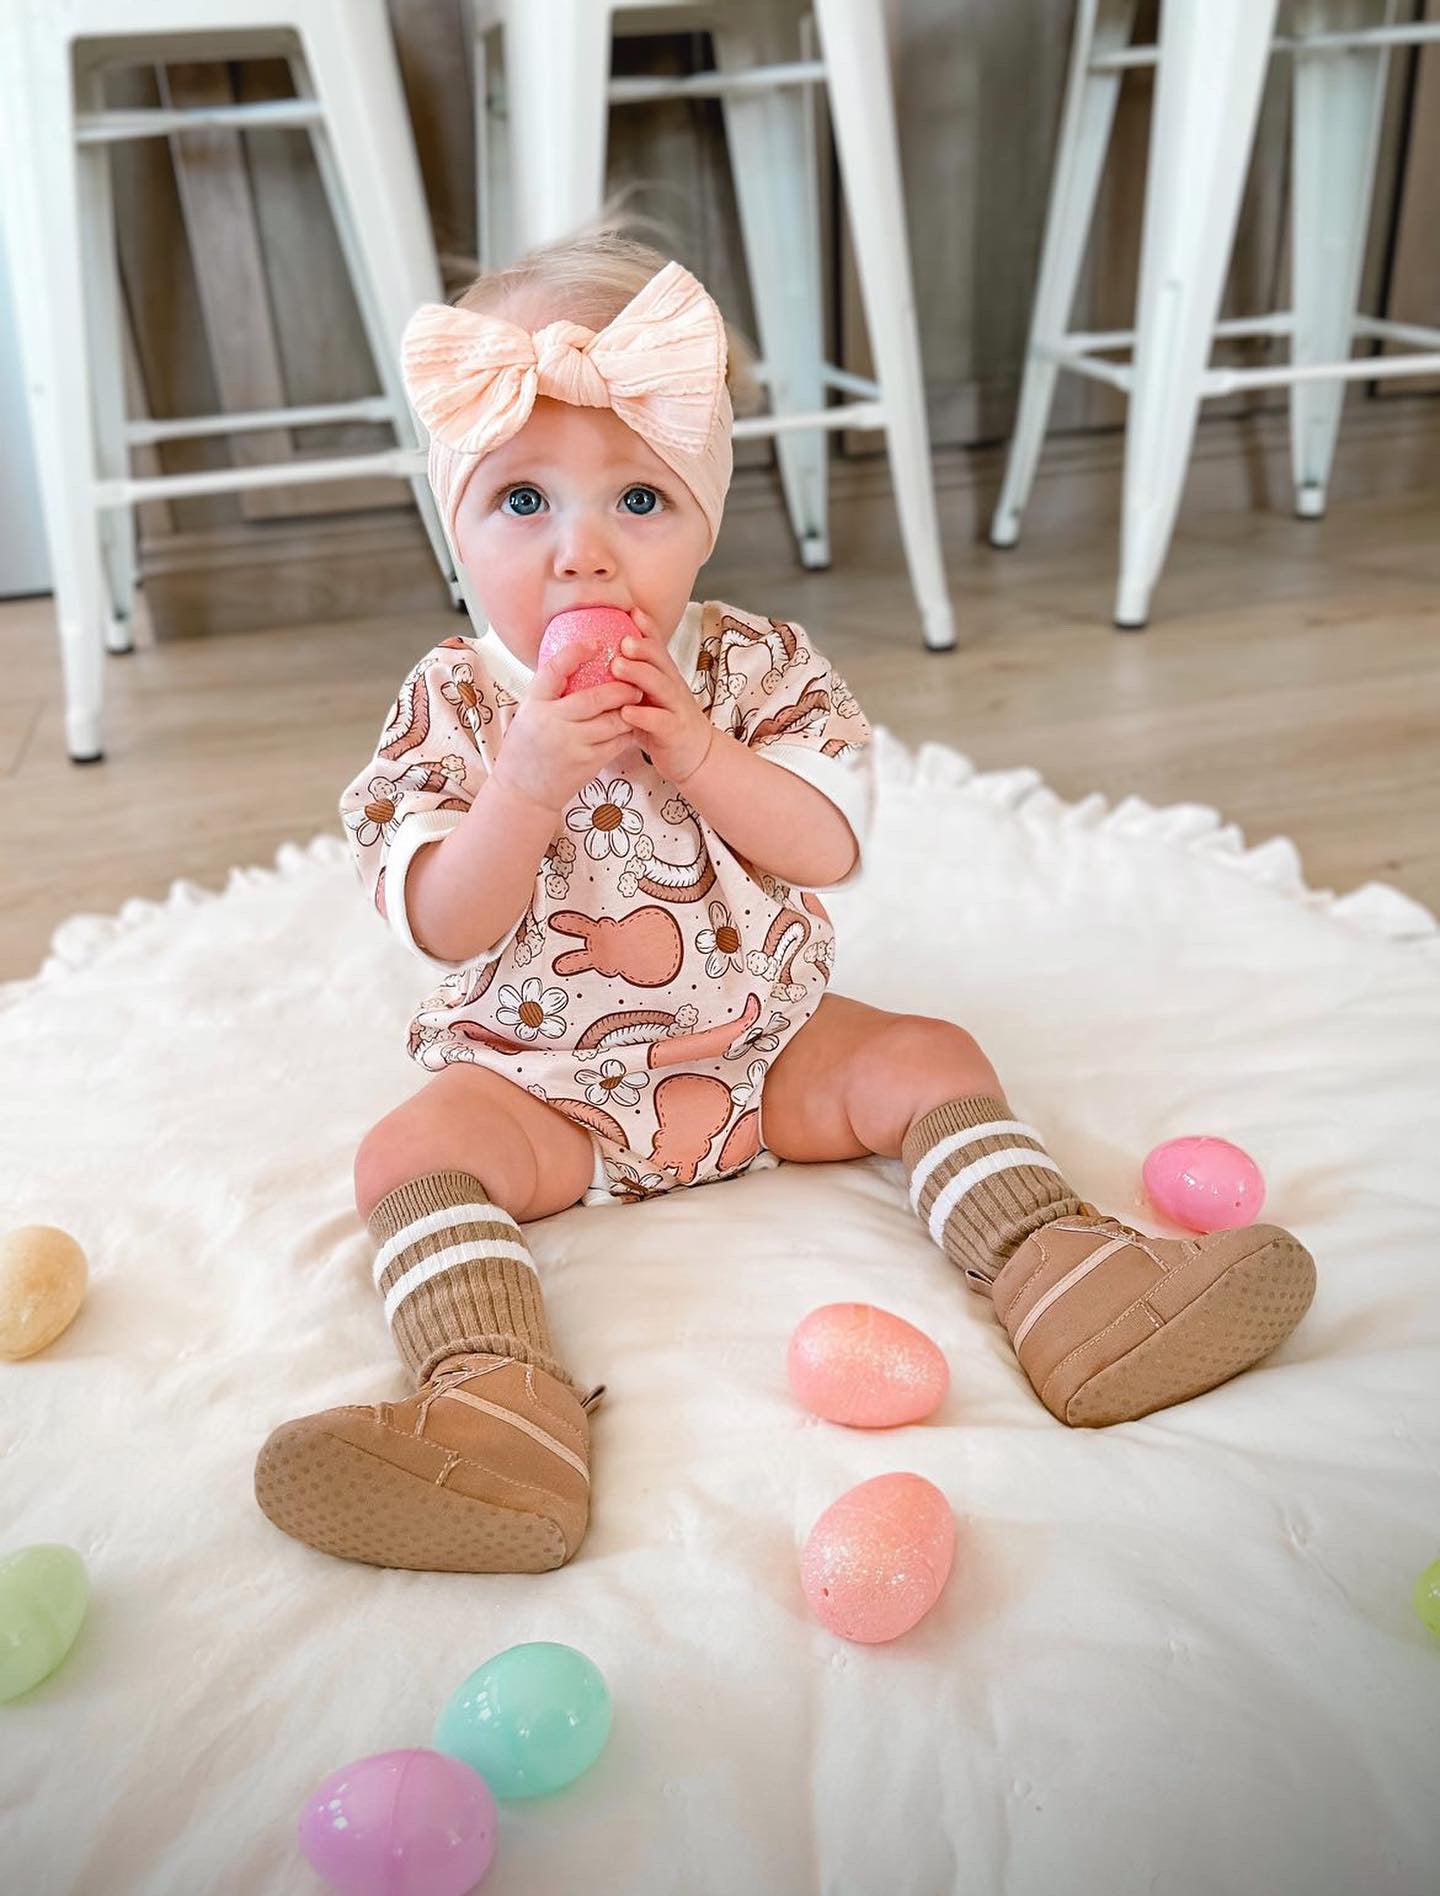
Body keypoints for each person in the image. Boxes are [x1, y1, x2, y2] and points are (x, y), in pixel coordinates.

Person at [253, 225, 1316, 1576]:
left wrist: (699, 751)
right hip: (545, 1090)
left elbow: (824, 846)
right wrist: (521, 790)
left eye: (639, 502)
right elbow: (444, 923)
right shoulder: (451, 708)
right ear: (453, 522)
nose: (582, 555)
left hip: (763, 1050)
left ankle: (1076, 1285)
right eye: (522, 501)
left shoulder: (755, 666)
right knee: (401, 1158)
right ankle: (493, 1416)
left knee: (930, 1057)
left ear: (705, 519)